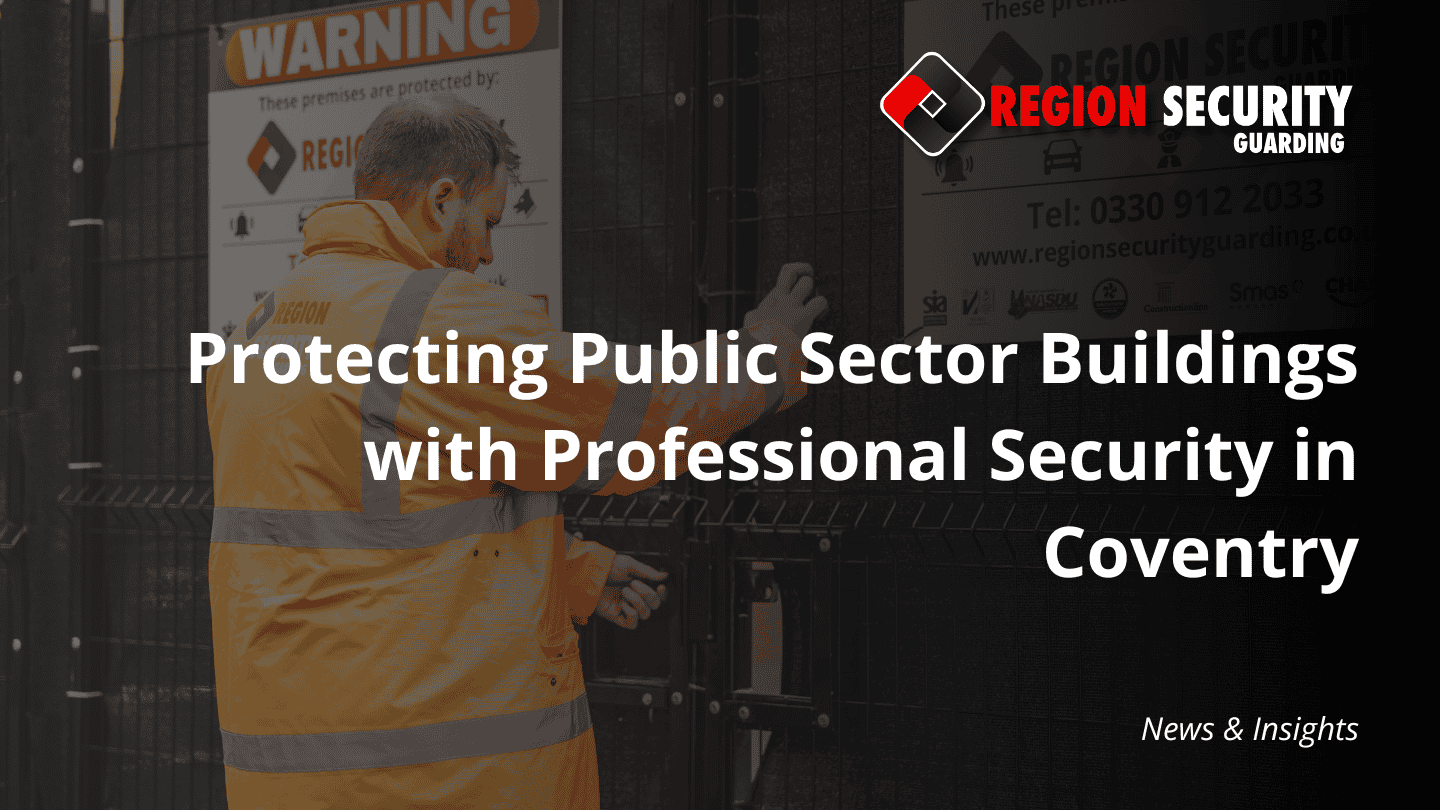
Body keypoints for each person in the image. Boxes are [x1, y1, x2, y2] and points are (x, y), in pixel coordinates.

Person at [205, 93, 826, 809]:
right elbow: (639, 419)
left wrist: (570, 571)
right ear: (442, 201)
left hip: (284, 778)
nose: (488, 253)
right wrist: (766, 360)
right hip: (433, 782)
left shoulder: (257, 331)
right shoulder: (437, 317)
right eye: (489, 222)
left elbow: (348, 527)